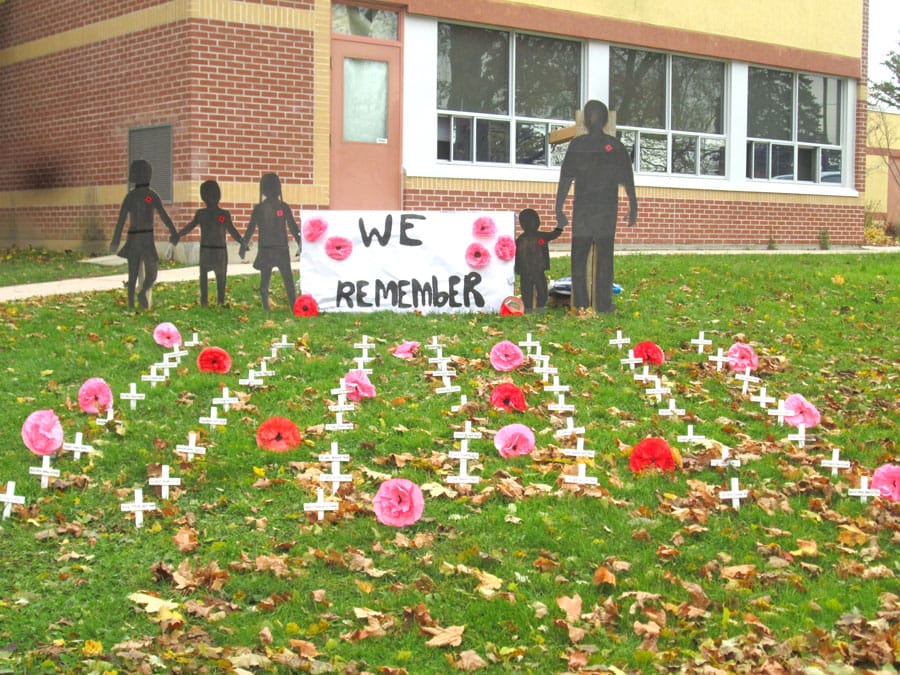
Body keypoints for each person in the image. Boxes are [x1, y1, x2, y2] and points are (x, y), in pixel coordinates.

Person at [555, 100, 637, 313]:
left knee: (587, 257)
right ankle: (597, 303)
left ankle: (589, 303)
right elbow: (566, 177)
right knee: (598, 257)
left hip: (593, 209)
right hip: (598, 209)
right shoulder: (608, 145)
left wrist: (559, 208)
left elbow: (627, 179)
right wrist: (633, 207)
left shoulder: (587, 145)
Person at [109, 159, 179, 309]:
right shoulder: (131, 197)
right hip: (134, 239)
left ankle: (143, 292)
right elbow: (121, 220)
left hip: (147, 239)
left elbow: (164, 215)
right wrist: (115, 241)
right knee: (133, 273)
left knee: (152, 271)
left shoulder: (151, 196)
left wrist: (174, 232)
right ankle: (131, 303)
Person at [173, 180, 243, 306]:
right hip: (217, 250)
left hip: (208, 250)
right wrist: (242, 241)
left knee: (208, 276)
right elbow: (232, 230)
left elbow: (190, 226)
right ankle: (217, 301)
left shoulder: (204, 214)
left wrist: (178, 235)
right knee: (219, 277)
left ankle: (207, 300)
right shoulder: (220, 214)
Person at [239, 173, 302, 311]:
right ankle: (292, 306)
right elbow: (293, 227)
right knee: (287, 281)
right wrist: (300, 242)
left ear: (263, 190)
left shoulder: (261, 208)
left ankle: (267, 307)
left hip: (268, 248)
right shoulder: (282, 207)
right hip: (278, 248)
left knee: (266, 280)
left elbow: (250, 229)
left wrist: (243, 245)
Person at [514, 208, 561, 313]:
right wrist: (560, 227)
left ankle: (532, 307)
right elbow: (554, 234)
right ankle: (534, 307)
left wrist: (560, 228)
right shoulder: (534, 237)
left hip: (530, 270)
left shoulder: (521, 239)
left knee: (533, 290)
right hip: (535, 269)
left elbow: (553, 234)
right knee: (538, 289)